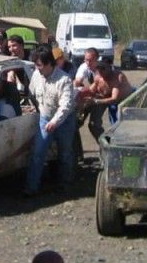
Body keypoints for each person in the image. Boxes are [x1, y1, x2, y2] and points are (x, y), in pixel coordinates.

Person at [24, 46, 77, 196]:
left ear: (49, 64)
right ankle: (31, 188)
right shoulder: (36, 75)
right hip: (44, 118)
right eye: (36, 65)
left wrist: (54, 122)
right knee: (37, 153)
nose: (37, 68)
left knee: (65, 153)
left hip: (64, 122)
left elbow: (65, 106)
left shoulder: (64, 80)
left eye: (39, 65)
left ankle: (64, 184)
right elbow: (32, 93)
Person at [87, 57, 134, 141]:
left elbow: (114, 98)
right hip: (105, 99)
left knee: (118, 126)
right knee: (93, 124)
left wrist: (96, 101)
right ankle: (105, 142)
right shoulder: (97, 77)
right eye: (98, 67)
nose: (100, 70)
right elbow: (90, 91)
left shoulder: (117, 77)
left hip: (124, 101)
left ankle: (122, 143)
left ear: (110, 67)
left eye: (103, 68)